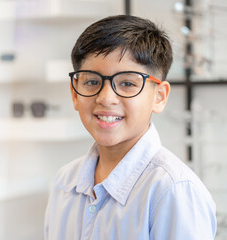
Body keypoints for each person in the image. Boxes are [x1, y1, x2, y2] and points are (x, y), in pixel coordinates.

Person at [44, 15, 216, 239]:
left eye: (127, 83)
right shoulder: (65, 182)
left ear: (160, 97)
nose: (106, 98)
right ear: (74, 93)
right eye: (92, 82)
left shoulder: (173, 191)